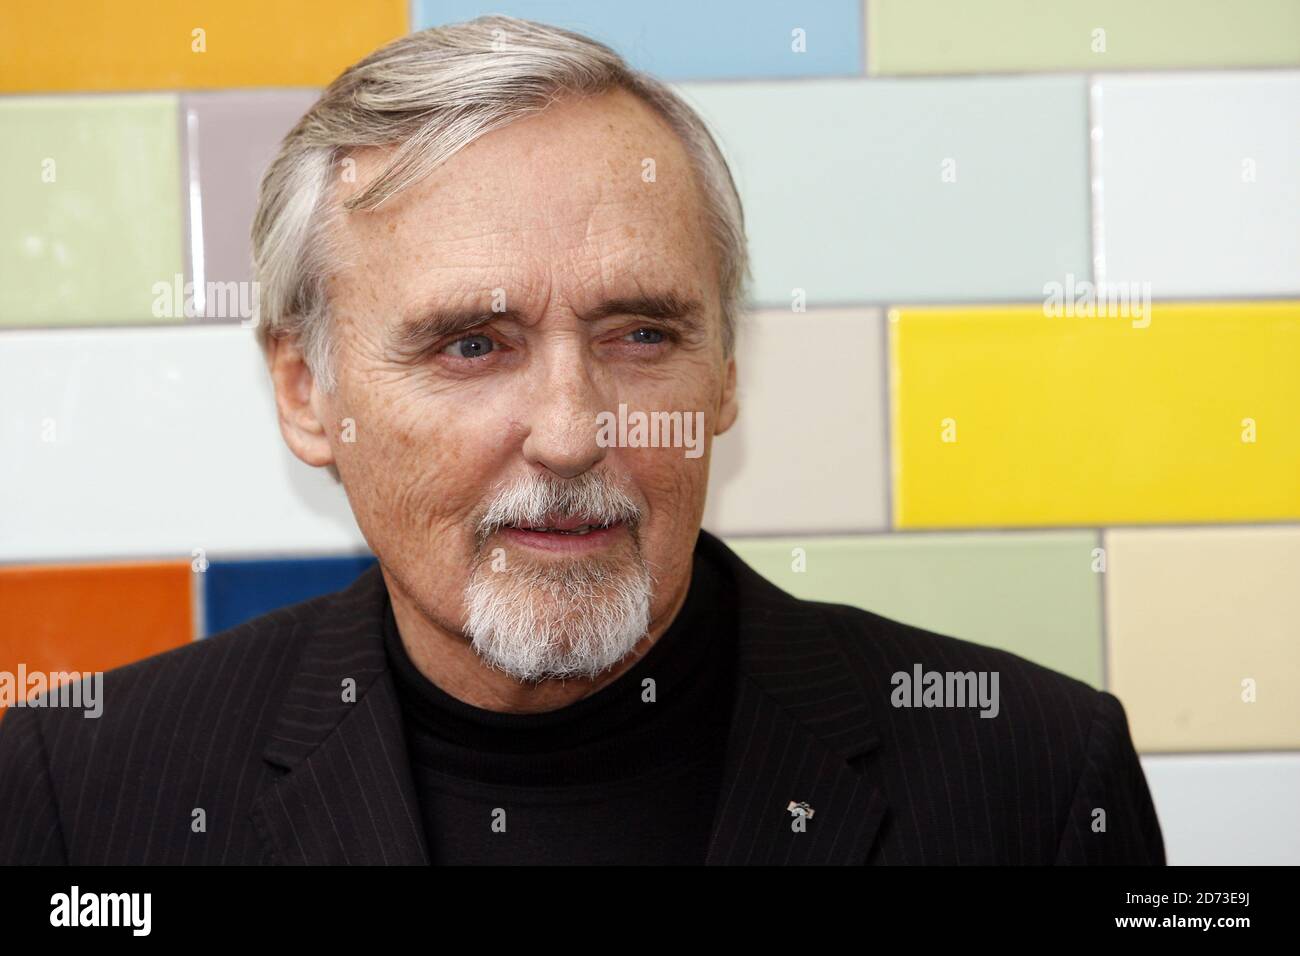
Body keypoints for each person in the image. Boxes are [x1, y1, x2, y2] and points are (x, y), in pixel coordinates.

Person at [0, 16, 1163, 865]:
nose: (570, 432)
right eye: (471, 344)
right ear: (307, 391)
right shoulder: (81, 789)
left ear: (726, 369)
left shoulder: (1033, 775)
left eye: (641, 333)